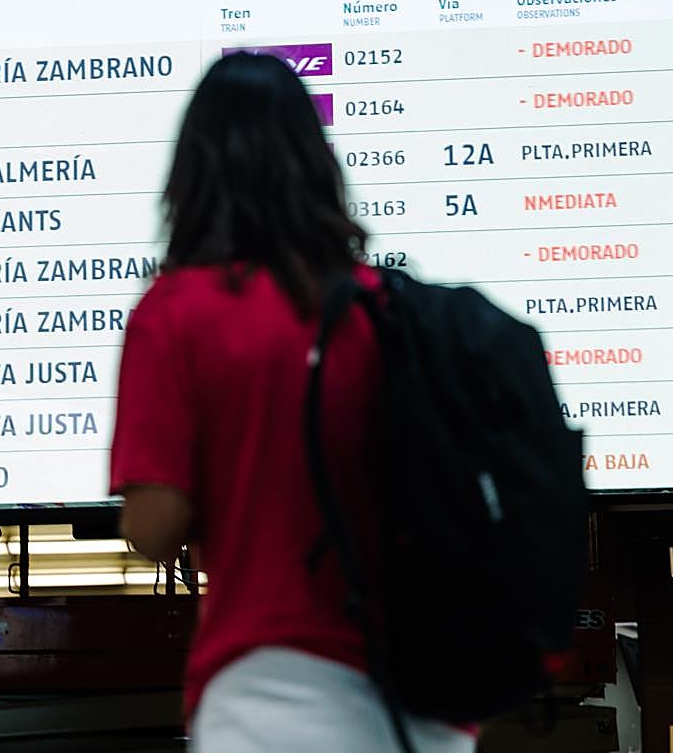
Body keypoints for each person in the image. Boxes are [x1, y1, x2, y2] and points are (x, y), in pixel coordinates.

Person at [109, 53, 476, 753]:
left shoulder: (176, 313)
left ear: (194, 171)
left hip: (273, 696)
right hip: (425, 701)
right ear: (315, 164)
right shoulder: (382, 307)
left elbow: (156, 525)